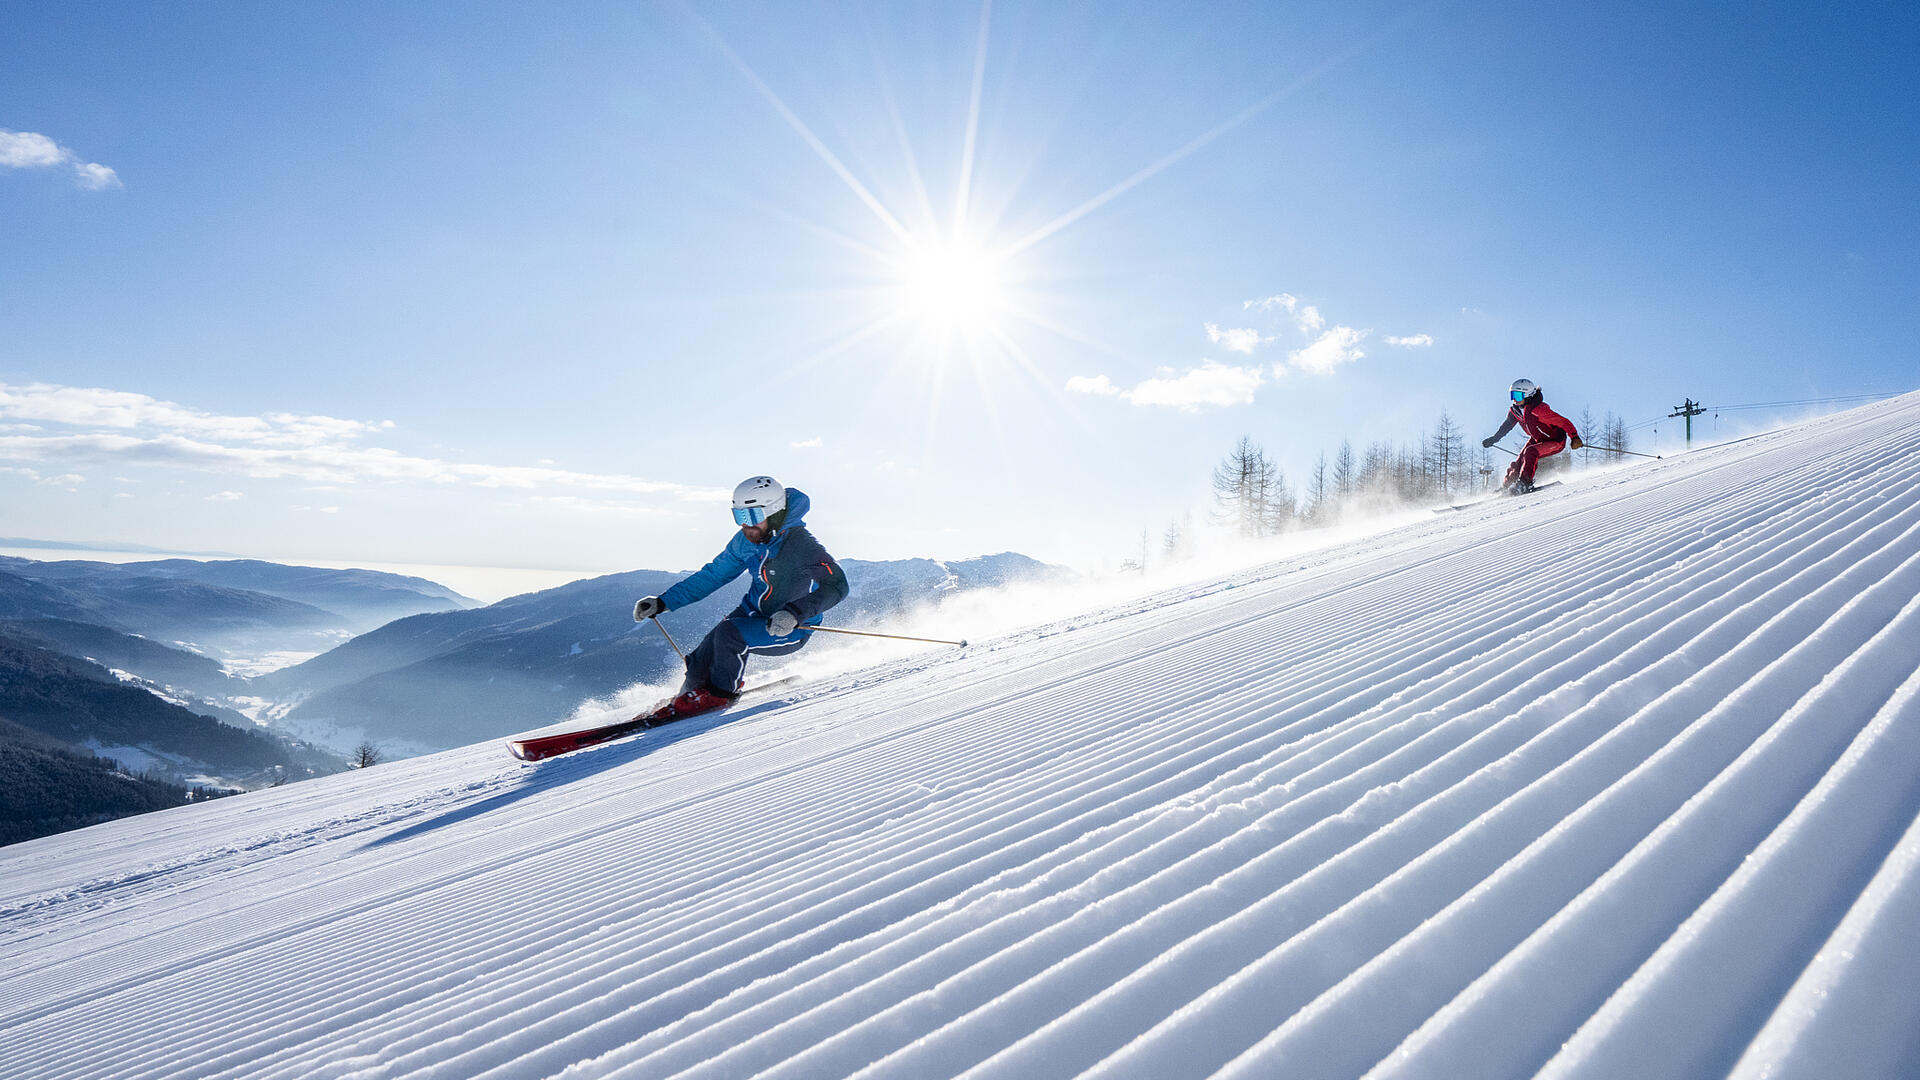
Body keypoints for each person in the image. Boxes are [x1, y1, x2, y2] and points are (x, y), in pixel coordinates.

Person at [630, 476, 849, 723]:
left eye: (752, 517)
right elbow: (713, 575)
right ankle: (687, 697)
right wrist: (663, 602)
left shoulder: (802, 545)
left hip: (792, 627)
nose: (746, 526)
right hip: (752, 616)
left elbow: (837, 586)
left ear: (774, 513)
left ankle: (719, 696)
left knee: (729, 635)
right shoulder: (745, 542)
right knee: (702, 656)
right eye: (739, 517)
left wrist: (794, 613)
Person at [1483, 378, 1583, 494]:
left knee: (1530, 452)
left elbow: (1563, 422)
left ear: (1528, 395)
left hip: (1555, 441)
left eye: (1518, 396)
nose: (1515, 400)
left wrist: (1574, 437)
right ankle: (1506, 487)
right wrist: (1494, 439)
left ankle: (1525, 484)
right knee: (1519, 461)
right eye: (1512, 395)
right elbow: (1506, 426)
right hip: (1537, 438)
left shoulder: (1539, 410)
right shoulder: (1516, 411)